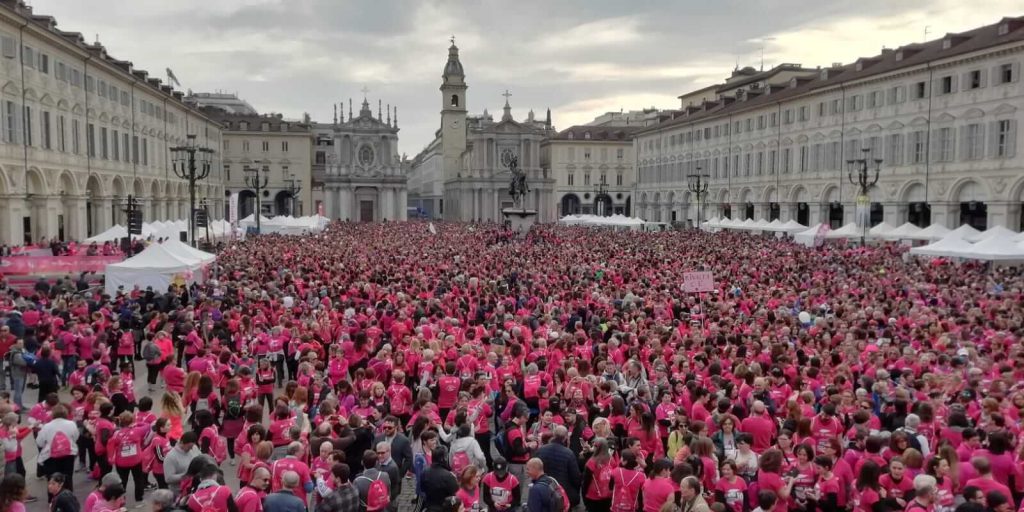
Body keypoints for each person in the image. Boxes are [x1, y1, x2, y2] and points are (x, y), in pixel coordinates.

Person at [534, 426, 581, 510]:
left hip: (544, 488)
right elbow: (575, 477)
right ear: (565, 437)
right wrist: (575, 492)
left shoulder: (541, 450)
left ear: (553, 435)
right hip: (562, 492)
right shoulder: (568, 453)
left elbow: (535, 470)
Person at [36, 404, 79, 488]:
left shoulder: (46, 426)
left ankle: (53, 499)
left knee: (52, 479)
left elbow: (40, 442)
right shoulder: (71, 424)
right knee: (67, 477)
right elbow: (75, 437)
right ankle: (67, 496)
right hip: (68, 454)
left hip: (51, 457)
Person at [421, 446, 459, 512]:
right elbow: (455, 494)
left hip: (429, 507)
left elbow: (422, 488)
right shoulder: (448, 476)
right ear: (443, 458)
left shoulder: (424, 472)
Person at [164, 431, 200, 495]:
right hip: (178, 492)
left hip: (195, 489)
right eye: (189, 447)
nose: (191, 449)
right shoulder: (171, 457)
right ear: (182, 442)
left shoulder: (194, 448)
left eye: (192, 446)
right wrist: (186, 476)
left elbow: (201, 459)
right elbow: (168, 478)